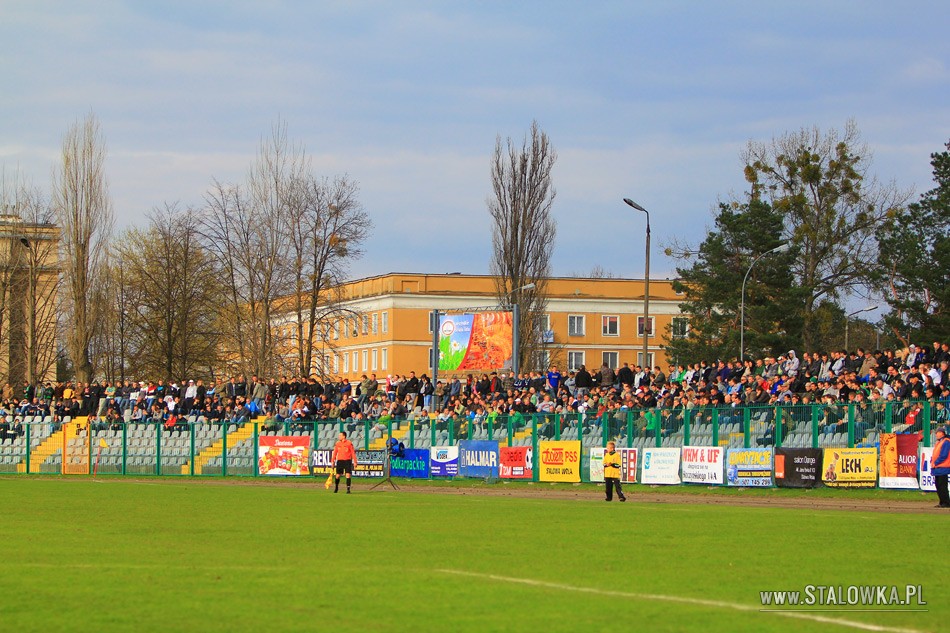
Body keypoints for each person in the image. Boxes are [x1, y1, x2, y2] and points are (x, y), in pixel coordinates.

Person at [931, 426, 950, 508]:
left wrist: (936, 462)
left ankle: (946, 502)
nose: (936, 434)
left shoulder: (946, 442)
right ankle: (942, 502)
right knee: (938, 485)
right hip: (938, 467)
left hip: (943, 467)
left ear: (942, 433)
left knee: (942, 485)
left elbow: (944, 455)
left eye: (937, 432)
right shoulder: (939, 442)